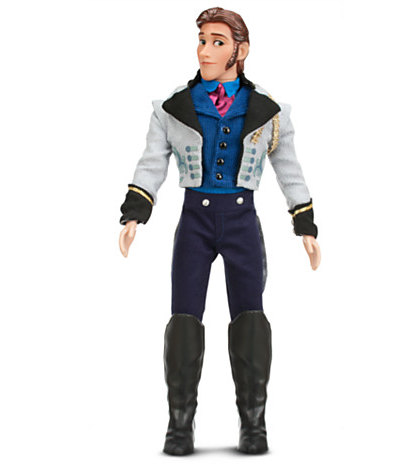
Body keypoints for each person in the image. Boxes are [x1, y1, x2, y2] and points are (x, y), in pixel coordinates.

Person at [119, 7, 321, 456]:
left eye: (217, 42)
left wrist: (304, 222)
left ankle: (254, 422)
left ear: (240, 51)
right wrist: (135, 212)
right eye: (202, 40)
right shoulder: (174, 106)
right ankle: (179, 423)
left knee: (250, 314)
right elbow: (152, 162)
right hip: (194, 220)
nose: (205, 51)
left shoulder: (268, 110)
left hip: (242, 220)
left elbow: (289, 168)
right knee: (184, 316)